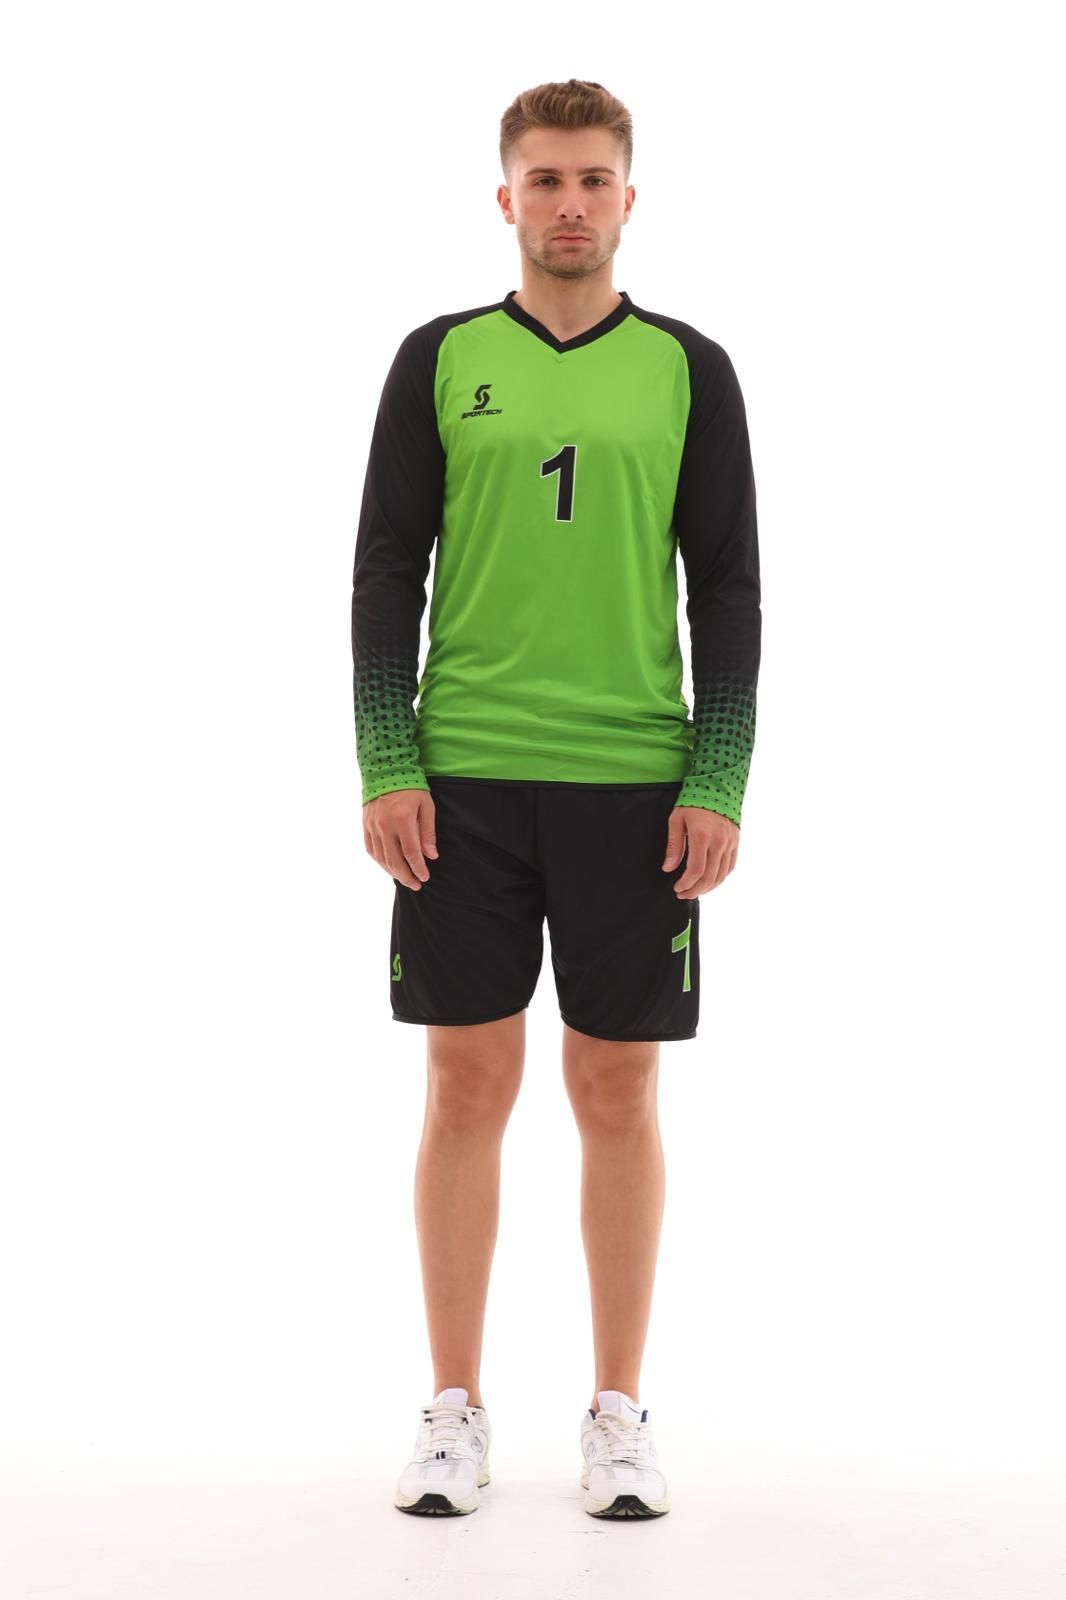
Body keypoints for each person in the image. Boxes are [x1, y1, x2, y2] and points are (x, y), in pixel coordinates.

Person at [351, 78, 761, 1519]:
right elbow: (384, 570)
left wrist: (717, 775)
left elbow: (728, 587)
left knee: (617, 1087)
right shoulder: (439, 358)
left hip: (631, 786)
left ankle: (618, 1414)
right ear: (505, 196)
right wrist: (387, 760)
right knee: (465, 1084)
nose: (570, 204)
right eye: (546, 179)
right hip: (461, 782)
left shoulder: (690, 369)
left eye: (593, 180)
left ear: (627, 198)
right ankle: (453, 1409)